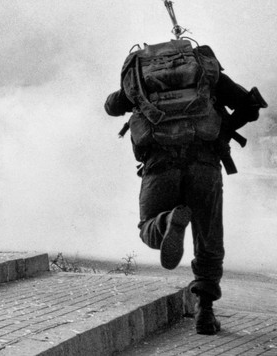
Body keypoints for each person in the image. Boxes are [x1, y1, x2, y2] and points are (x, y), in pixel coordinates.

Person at [105, 39, 264, 335]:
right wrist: (224, 129)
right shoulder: (206, 72)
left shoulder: (139, 78)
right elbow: (249, 105)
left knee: (147, 226)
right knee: (208, 239)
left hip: (160, 166)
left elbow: (111, 106)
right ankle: (205, 312)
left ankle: (166, 222)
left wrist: (139, 96)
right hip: (204, 165)